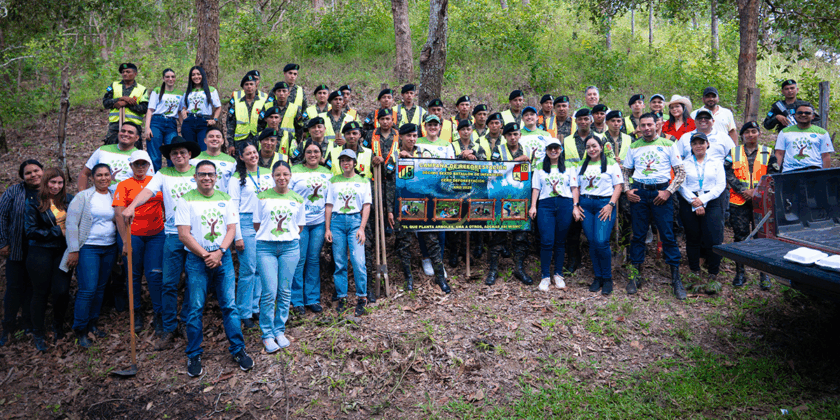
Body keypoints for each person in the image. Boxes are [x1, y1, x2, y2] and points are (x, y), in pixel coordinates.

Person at [175, 160, 254, 377]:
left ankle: (238, 350)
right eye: (202, 174)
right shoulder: (186, 200)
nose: (207, 178)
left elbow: (231, 229)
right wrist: (206, 255)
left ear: (216, 177)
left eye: (210, 174)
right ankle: (194, 353)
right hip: (197, 260)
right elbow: (184, 234)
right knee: (196, 307)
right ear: (195, 176)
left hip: (223, 257)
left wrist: (219, 252)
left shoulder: (225, 199)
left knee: (229, 305)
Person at [121, 137, 201, 349]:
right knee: (168, 283)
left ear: (189, 154)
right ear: (170, 157)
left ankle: (185, 321)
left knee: (194, 282)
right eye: (174, 154)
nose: (179, 156)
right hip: (173, 234)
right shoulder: (163, 174)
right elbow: (147, 192)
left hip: (197, 235)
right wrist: (132, 207)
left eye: (182, 152)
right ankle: (168, 326)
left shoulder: (199, 172)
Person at [622, 113, 686, 299]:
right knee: (638, 235)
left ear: (657, 125)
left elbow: (681, 172)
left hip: (661, 194)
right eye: (643, 125)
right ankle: (635, 275)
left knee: (667, 234)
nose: (647, 128)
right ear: (639, 127)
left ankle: (676, 278)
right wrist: (627, 190)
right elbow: (626, 171)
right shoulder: (634, 146)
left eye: (650, 124)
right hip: (640, 195)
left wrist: (668, 191)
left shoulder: (668, 144)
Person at [386, 124, 450, 292]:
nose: (412, 139)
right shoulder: (394, 156)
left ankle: (440, 277)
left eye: (414, 136)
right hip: (402, 207)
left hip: (424, 207)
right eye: (408, 136)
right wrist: (390, 210)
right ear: (401, 137)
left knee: (433, 241)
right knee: (404, 244)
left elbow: (432, 178)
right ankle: (408, 278)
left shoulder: (424, 154)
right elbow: (390, 185)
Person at [255, 160, 306, 352]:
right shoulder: (262, 197)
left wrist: (286, 236)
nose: (282, 178)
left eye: (285, 174)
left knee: (285, 291)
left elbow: (299, 226)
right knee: (269, 292)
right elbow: (257, 223)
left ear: (290, 176)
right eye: (278, 174)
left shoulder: (298, 198)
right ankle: (267, 333)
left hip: (290, 247)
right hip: (266, 248)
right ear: (273, 176)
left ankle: (279, 330)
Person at [113, 151, 165, 336]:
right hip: (133, 234)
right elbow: (119, 214)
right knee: (133, 275)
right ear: (131, 166)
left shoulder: (157, 181)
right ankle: (136, 312)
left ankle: (159, 314)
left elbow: (165, 204)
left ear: (149, 164)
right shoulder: (124, 185)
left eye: (144, 164)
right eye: (137, 164)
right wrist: (125, 241)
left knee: (155, 274)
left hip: (156, 234)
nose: (140, 167)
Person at [66, 164, 118, 348]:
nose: (103, 178)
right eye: (99, 175)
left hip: (109, 247)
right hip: (88, 247)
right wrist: (74, 250)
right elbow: (71, 224)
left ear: (111, 176)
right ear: (92, 178)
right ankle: (80, 328)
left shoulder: (114, 195)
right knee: (88, 289)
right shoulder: (84, 197)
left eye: (106, 175)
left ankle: (93, 324)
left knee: (101, 288)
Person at [25, 168, 73, 351]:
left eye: (60, 183)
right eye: (53, 182)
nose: (56, 186)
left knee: (61, 290)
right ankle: (38, 331)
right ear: (46, 182)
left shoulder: (68, 199)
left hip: (63, 251)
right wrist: (56, 232)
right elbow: (30, 231)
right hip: (40, 251)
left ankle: (58, 326)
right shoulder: (34, 202)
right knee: (40, 292)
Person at [726, 122, 778, 290]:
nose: (750, 134)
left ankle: (764, 275)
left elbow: (774, 174)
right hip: (738, 201)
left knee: (762, 238)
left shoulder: (769, 152)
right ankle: (740, 273)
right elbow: (727, 172)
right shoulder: (733, 152)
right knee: (740, 237)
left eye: (753, 131)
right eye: (747, 132)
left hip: (761, 202)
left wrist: (757, 191)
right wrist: (742, 190)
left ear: (759, 133)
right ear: (742, 135)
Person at [229, 143, 275, 329]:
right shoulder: (235, 179)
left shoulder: (266, 173)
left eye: (254, 152)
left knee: (260, 268)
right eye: (248, 154)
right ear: (241, 157)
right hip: (246, 222)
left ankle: (255, 306)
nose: (252, 156)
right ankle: (243, 311)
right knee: (248, 269)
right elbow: (232, 208)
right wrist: (237, 236)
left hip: (265, 221)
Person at [572, 137, 624, 296]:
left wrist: (611, 205)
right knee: (592, 242)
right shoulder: (582, 164)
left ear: (601, 147)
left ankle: (607, 278)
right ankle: (598, 277)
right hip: (586, 205)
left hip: (604, 205)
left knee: (601, 241)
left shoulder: (610, 163)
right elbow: (576, 186)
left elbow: (618, 186)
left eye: (594, 146)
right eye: (588, 147)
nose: (591, 149)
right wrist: (576, 205)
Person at [0, 159, 43, 346]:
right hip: (16, 248)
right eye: (28, 173)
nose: (33, 175)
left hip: (39, 249)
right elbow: (1, 217)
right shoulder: (13, 192)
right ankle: (8, 325)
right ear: (22, 177)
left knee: (32, 287)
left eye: (36, 171)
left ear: (42, 171)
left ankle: (28, 323)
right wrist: (3, 242)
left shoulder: (49, 190)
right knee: (14, 287)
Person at [325, 150, 374, 314]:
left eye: (349, 160)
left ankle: (362, 296)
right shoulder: (333, 181)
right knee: (339, 262)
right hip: (337, 222)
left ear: (354, 162)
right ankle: (342, 297)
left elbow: (366, 205)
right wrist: (327, 228)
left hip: (355, 222)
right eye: (342, 160)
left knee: (358, 261)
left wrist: (362, 227)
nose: (346, 163)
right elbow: (329, 205)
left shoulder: (363, 181)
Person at [678, 133, 727, 293]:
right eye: (695, 143)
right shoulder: (684, 163)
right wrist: (694, 201)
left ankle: (713, 274)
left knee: (714, 238)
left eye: (701, 143)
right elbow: (680, 185)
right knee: (693, 238)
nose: (698, 146)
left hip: (712, 201)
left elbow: (720, 185)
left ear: (707, 144)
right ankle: (695, 272)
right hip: (689, 201)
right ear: (691, 146)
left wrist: (703, 200)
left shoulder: (716, 162)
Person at [486, 123, 533, 286]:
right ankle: (493, 269)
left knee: (520, 236)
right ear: (504, 136)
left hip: (520, 199)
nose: (513, 137)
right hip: (501, 199)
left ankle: (519, 268)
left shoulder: (528, 149)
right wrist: (515, 161)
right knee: (497, 235)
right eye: (509, 135)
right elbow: (494, 171)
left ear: (520, 135)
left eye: (515, 134)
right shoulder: (498, 150)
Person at [290, 141, 333, 315]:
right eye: (309, 151)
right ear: (304, 154)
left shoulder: (327, 173)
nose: (313, 154)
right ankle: (297, 299)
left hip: (318, 223)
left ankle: (312, 298)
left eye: (316, 151)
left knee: (314, 259)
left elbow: (330, 200)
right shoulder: (295, 171)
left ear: (321, 155)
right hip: (300, 224)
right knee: (299, 260)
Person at [528, 138, 576, 292]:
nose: (553, 151)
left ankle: (558, 274)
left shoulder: (568, 166)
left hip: (565, 203)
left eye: (556, 148)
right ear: (546, 150)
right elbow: (536, 188)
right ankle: (544, 276)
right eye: (550, 148)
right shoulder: (540, 167)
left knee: (561, 241)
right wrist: (533, 206)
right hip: (546, 205)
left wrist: (575, 206)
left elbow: (574, 188)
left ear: (560, 150)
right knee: (547, 241)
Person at [563, 108, 603, 273]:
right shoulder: (567, 140)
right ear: (575, 121)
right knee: (572, 227)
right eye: (579, 119)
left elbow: (605, 161)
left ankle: (597, 264)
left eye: (586, 119)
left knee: (595, 230)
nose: (583, 122)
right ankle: (574, 260)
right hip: (572, 185)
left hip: (594, 187)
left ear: (591, 120)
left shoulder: (600, 138)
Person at [79, 122, 151, 192]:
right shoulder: (103, 150)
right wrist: (83, 197)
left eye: (130, 132)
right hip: (101, 197)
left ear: (137, 138)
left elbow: (149, 182)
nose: (125, 134)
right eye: (123, 131)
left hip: (128, 200)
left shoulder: (140, 156)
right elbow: (84, 173)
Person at [602, 110, 633, 254]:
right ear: (607, 122)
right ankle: (607, 243)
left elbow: (635, 159)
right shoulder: (600, 139)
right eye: (613, 121)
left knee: (626, 213)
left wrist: (624, 164)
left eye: (619, 121)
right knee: (607, 212)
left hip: (626, 181)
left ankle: (624, 245)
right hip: (607, 182)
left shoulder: (628, 139)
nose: (616, 124)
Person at [775, 102, 834, 172]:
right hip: (790, 171)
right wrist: (776, 172)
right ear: (795, 115)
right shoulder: (784, 132)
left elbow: (825, 156)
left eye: (807, 113)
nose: (803, 115)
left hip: (815, 171)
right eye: (800, 113)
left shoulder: (822, 133)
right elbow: (779, 154)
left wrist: (826, 176)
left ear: (813, 116)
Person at [143, 68, 183, 171]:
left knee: (173, 151)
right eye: (167, 77)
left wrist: (183, 127)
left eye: (172, 77)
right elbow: (150, 110)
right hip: (157, 122)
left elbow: (179, 112)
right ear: (163, 78)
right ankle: (154, 178)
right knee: (155, 154)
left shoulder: (179, 93)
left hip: (171, 124)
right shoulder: (157, 91)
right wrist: (147, 128)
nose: (170, 79)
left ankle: (172, 176)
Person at [102, 63, 148, 145]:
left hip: (134, 126)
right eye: (123, 72)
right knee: (111, 150)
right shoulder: (113, 85)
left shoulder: (142, 89)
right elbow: (105, 103)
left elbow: (144, 109)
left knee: (134, 152)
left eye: (128, 72)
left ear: (135, 74)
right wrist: (119, 99)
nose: (125, 74)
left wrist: (127, 103)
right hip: (115, 125)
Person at [227, 73, 271, 156]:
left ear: (256, 86)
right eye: (246, 84)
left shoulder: (264, 101)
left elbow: (268, 123)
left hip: (259, 139)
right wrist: (231, 144)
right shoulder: (236, 102)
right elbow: (230, 124)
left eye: (251, 84)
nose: (249, 87)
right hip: (240, 141)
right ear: (243, 87)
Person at [179, 66, 221, 151]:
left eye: (198, 74)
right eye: (193, 75)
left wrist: (214, 119)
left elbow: (218, 107)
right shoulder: (188, 91)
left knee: (204, 149)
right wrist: (184, 113)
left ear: (203, 75)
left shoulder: (211, 90)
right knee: (190, 149)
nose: (196, 77)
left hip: (204, 121)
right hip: (189, 122)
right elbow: (184, 107)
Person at [260, 82, 305, 156]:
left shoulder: (294, 108)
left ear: (288, 93)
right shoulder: (267, 106)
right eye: (279, 91)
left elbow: (299, 128)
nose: (281, 94)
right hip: (268, 142)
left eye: (284, 91)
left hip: (287, 142)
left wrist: (295, 141)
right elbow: (260, 124)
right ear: (275, 93)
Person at [190, 128, 237, 193]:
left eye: (218, 137)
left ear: (223, 141)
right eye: (211, 136)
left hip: (223, 200)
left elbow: (234, 186)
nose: (215, 139)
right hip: (198, 200)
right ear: (205, 140)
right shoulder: (194, 160)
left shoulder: (231, 161)